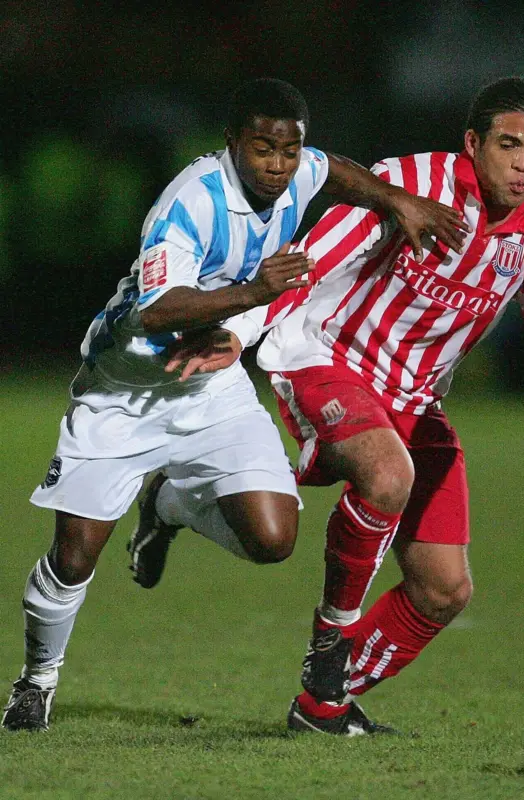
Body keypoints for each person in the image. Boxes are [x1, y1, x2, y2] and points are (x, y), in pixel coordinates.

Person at [2, 78, 469, 733]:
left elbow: (334, 171)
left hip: (212, 383)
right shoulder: (191, 204)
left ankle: (167, 502)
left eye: (288, 149)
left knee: (274, 538)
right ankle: (36, 683)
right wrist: (254, 291)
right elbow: (156, 308)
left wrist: (396, 200)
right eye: (261, 149)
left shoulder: (297, 169)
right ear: (232, 144)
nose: (277, 164)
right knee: (76, 554)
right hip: (127, 388)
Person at [165, 76, 524, 736]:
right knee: (387, 474)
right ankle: (328, 645)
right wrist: (242, 328)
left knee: (443, 588)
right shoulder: (410, 184)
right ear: (472, 142)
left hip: (415, 398)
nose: (523, 163)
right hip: (327, 358)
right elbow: (313, 258)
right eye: (509, 145)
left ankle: (323, 704)